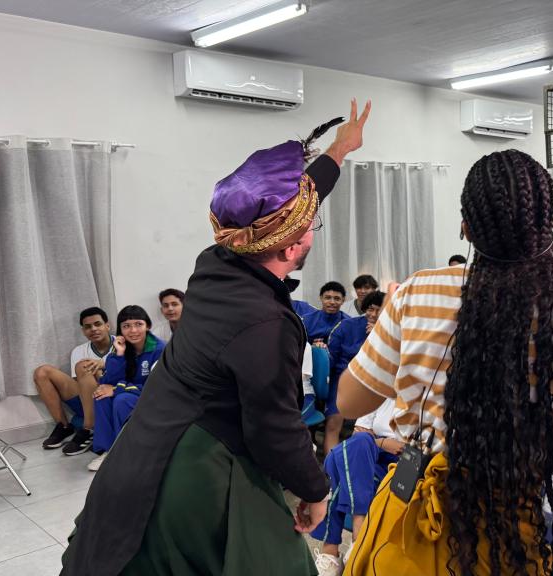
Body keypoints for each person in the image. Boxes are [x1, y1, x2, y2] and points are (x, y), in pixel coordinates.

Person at [61, 100, 371, 576]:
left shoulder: (216, 261)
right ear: (292, 245)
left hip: (142, 445)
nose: (313, 230)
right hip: (195, 470)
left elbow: (295, 200)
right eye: (312, 226)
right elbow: (273, 428)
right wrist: (315, 489)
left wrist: (341, 148)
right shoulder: (267, 323)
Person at [337, 149, 553, 576]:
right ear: (550, 225)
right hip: (513, 534)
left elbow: (349, 402)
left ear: (466, 227)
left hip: (410, 526)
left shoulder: (417, 294)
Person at [311, 398, 400, 576]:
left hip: (404, 462)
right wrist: (383, 443)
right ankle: (359, 539)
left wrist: (379, 440)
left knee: (337, 459)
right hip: (373, 454)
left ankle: (331, 553)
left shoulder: (428, 391)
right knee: (358, 444)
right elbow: (359, 433)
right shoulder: (383, 388)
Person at [88, 305, 166, 471]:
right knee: (101, 395)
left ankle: (128, 452)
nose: (133, 330)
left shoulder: (160, 349)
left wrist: (117, 390)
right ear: (120, 330)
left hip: (155, 398)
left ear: (148, 326)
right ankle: (108, 451)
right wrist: (119, 354)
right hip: (132, 392)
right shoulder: (120, 347)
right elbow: (108, 380)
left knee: (122, 400)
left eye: (138, 324)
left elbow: (156, 386)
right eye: (126, 326)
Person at [34, 307, 114, 455]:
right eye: (88, 327)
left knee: (88, 367)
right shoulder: (79, 351)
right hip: (88, 399)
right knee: (41, 372)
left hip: (111, 396)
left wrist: (99, 370)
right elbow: (82, 385)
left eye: (98, 324)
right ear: (83, 331)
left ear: (107, 326)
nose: (94, 329)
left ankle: (89, 429)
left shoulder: (121, 346)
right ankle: (64, 426)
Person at [323, 291, 386, 454]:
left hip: (377, 383)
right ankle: (332, 469)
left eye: (379, 310)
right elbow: (332, 357)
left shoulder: (390, 330)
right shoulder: (347, 326)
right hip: (344, 378)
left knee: (369, 428)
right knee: (333, 423)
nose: (373, 314)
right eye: (370, 309)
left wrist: (377, 336)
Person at [304, 281, 351, 346]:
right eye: (328, 298)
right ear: (321, 298)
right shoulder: (306, 321)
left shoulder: (349, 323)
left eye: (337, 299)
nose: (332, 302)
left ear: (343, 300)